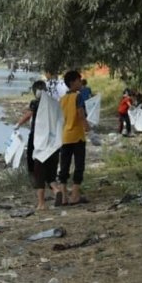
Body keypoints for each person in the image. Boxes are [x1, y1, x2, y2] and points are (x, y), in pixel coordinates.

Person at [14, 80, 59, 210]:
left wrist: (18, 124)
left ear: (35, 92)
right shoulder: (54, 103)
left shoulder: (36, 103)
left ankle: (41, 203)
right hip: (53, 140)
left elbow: (29, 114)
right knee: (51, 171)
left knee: (38, 169)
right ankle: (56, 190)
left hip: (38, 139)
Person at [58, 70, 91, 206]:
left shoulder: (62, 99)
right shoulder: (78, 97)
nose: (80, 82)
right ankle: (75, 195)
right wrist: (89, 129)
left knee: (64, 167)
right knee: (79, 166)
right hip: (77, 136)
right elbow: (81, 114)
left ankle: (64, 196)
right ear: (72, 82)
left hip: (65, 136)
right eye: (79, 80)